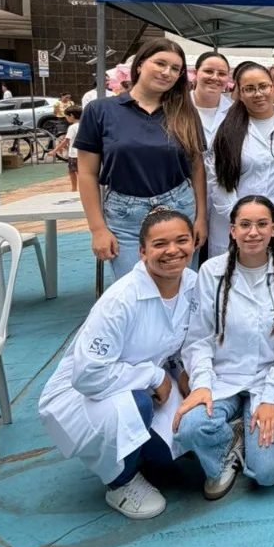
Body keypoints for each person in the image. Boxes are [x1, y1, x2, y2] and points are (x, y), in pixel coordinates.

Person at [38, 209, 197, 519]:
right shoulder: (120, 301)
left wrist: (186, 374)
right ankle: (120, 482)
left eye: (182, 240)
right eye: (160, 244)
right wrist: (152, 376)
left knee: (176, 449)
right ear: (142, 252)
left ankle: (138, 453)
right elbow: (87, 376)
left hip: (142, 384)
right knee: (137, 406)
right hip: (85, 395)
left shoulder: (192, 284)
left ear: (194, 242)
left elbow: (185, 340)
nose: (173, 251)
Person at [172, 197, 274, 498]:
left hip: (267, 379)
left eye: (261, 224)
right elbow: (198, 339)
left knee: (266, 472)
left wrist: (272, 397)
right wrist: (202, 384)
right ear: (232, 231)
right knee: (189, 427)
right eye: (244, 225)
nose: (253, 232)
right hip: (223, 378)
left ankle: (255, 436)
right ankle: (226, 450)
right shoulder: (211, 271)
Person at [76, 38, 207, 281]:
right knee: (133, 290)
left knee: (180, 291)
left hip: (179, 208)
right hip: (125, 216)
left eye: (175, 69)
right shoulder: (100, 111)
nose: (167, 73)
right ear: (139, 65)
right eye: (160, 63)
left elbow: (197, 168)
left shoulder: (185, 114)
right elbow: (87, 173)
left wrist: (200, 218)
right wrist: (98, 229)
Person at [208, 61, 274, 257]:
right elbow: (218, 181)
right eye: (249, 89)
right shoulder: (225, 130)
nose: (258, 93)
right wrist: (242, 222)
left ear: (272, 88)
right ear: (240, 94)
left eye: (263, 86)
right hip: (237, 228)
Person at [190, 51, 232, 148]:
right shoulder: (175, 107)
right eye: (208, 71)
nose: (215, 77)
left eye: (222, 74)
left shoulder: (236, 110)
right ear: (195, 73)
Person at [48, 105, 81, 191]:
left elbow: (65, 141)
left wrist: (54, 151)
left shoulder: (72, 127)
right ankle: (82, 188)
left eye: (66, 116)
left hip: (74, 154)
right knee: (80, 172)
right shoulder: (86, 124)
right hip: (83, 152)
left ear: (72, 116)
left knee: (72, 171)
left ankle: (74, 188)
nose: (66, 118)